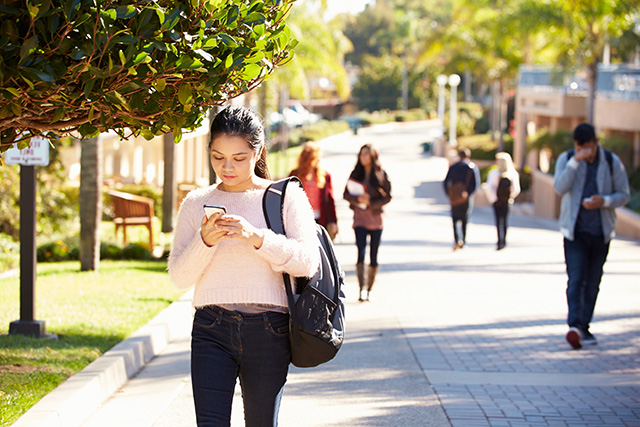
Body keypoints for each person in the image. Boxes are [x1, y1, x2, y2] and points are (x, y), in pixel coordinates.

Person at [168, 106, 320, 426]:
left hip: (269, 329)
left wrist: (257, 238)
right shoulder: (196, 203)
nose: (227, 167)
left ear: (258, 152)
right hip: (210, 327)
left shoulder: (284, 196)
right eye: (217, 157)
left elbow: (308, 262)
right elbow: (179, 278)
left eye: (238, 158)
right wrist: (205, 241)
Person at [553, 123, 630, 350]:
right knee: (576, 279)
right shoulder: (567, 159)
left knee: (593, 282)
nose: (585, 152)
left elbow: (624, 194)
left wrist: (604, 201)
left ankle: (584, 326)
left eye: (588, 148)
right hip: (574, 231)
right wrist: (575, 162)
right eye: (580, 148)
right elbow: (559, 187)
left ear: (596, 143)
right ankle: (575, 326)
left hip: (601, 232)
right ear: (576, 145)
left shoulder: (611, 161)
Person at [343, 143, 391, 302]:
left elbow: (388, 196)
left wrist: (372, 202)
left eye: (366, 154)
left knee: (374, 256)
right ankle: (362, 289)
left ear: (372, 156)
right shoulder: (355, 173)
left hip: (376, 220)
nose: (363, 157)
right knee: (361, 253)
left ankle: (370, 288)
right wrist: (358, 199)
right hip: (360, 220)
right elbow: (346, 194)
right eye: (361, 154)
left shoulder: (380, 174)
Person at [289, 141, 339, 240]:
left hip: (321, 219)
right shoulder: (294, 175)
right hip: (300, 218)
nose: (318, 160)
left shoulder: (325, 175)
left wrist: (334, 221)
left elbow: (330, 199)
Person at [443, 148, 479, 250]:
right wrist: (468, 194)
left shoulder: (453, 167)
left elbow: (446, 182)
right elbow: (476, 184)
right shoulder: (472, 168)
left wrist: (449, 194)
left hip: (454, 197)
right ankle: (463, 240)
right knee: (465, 219)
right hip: (466, 197)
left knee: (455, 219)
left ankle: (457, 239)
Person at [484, 152, 521, 250]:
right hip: (506, 201)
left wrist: (493, 199)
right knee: (504, 221)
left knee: (498, 221)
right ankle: (503, 241)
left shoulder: (494, 173)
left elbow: (489, 188)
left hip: (497, 201)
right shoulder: (513, 174)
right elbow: (517, 189)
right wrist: (510, 197)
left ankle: (499, 241)